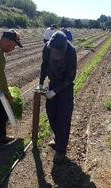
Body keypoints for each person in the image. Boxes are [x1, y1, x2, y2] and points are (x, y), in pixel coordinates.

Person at [39, 31, 77, 163]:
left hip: (65, 87)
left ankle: (61, 150)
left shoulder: (71, 51)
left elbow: (70, 76)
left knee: (63, 118)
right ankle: (58, 138)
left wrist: (56, 91)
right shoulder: (47, 47)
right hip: (53, 83)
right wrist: (40, 82)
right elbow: (44, 65)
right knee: (51, 113)